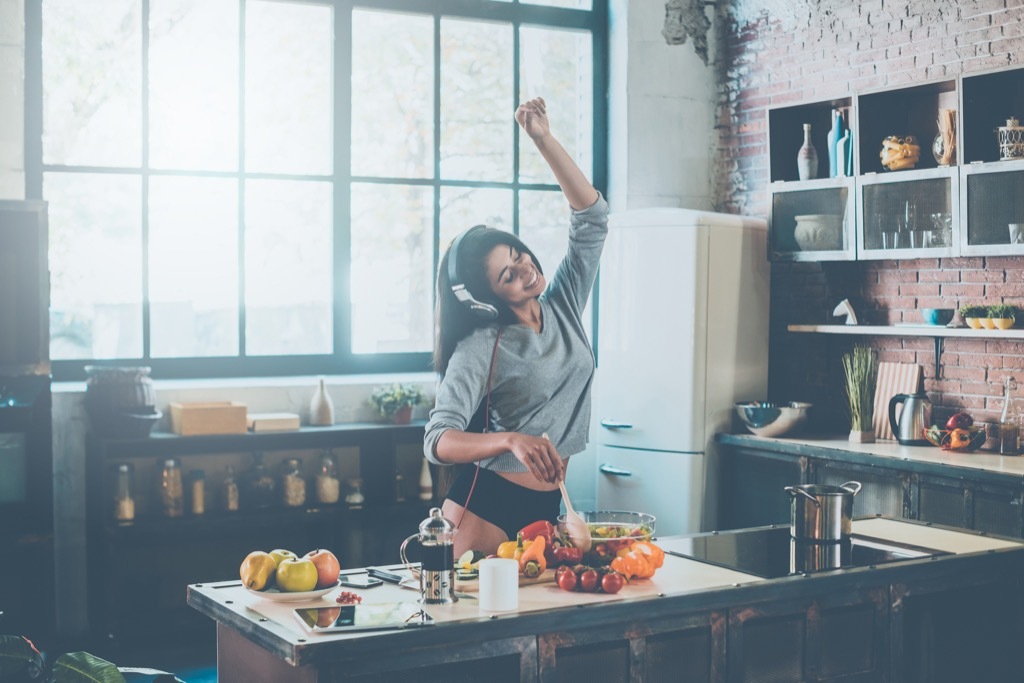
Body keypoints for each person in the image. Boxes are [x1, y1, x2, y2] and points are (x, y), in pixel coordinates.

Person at [423, 97, 607, 556]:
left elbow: (592, 220)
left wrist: (543, 140)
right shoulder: (482, 345)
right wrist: (510, 440)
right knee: (468, 626)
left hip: (550, 508)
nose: (525, 269)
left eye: (518, 254)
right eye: (508, 274)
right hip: (483, 509)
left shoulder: (562, 303)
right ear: (489, 302)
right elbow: (437, 438)